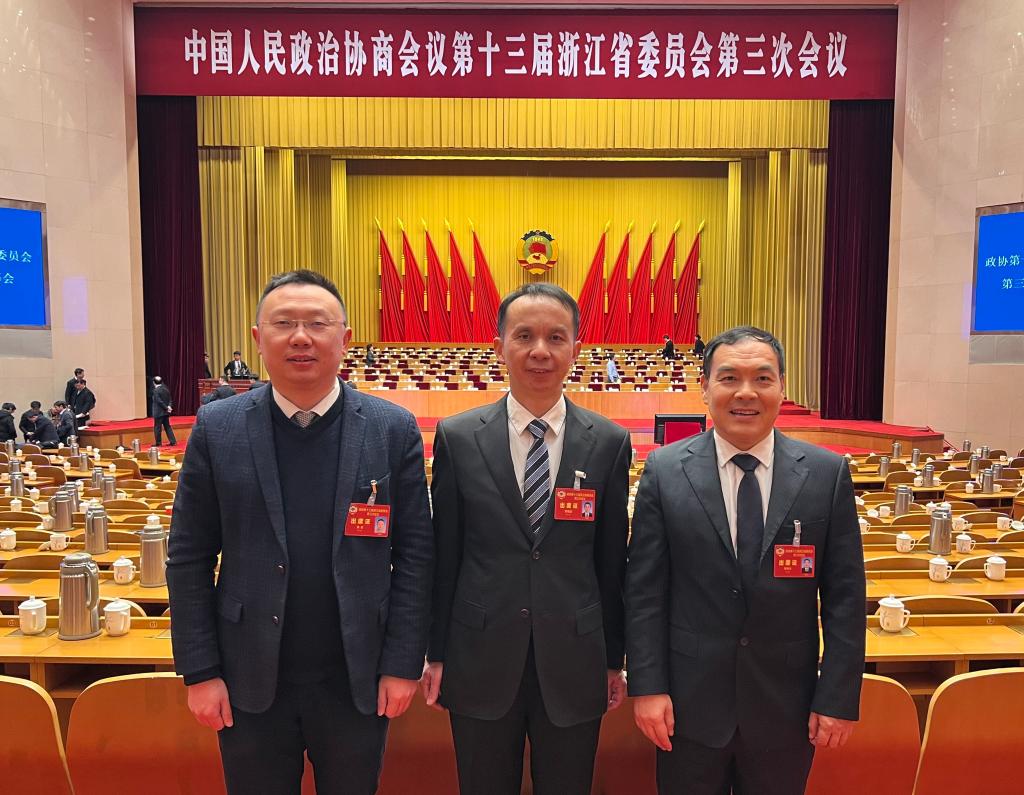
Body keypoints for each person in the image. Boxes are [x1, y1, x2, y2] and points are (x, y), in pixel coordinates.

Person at [167, 269, 433, 795]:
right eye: (284, 323)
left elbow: (416, 557)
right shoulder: (217, 428)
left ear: (345, 338)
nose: (301, 337)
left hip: (357, 678)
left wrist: (403, 663)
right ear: (257, 337)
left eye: (317, 323)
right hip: (247, 678)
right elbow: (189, 556)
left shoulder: (392, 428)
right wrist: (200, 671)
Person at [625, 326, 865, 795]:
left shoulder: (826, 473)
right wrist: (648, 686)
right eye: (729, 377)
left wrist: (838, 696)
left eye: (762, 378)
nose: (746, 393)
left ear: (782, 388)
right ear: (705, 387)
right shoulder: (665, 471)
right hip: (687, 706)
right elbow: (645, 592)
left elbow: (846, 599)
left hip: (787, 707)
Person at [424, 283, 631, 795]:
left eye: (556, 337)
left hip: (575, 659)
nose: (540, 350)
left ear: (576, 349)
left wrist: (613, 659)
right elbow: (444, 556)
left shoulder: (609, 442)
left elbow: (612, 564)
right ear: (499, 347)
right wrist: (436, 653)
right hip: (479, 655)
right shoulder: (457, 437)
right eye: (524, 336)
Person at [151, 376, 177, 447]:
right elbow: (170, 399)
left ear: (154, 382)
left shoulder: (156, 390)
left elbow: (159, 401)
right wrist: (169, 407)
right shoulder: (166, 389)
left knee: (157, 428)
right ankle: (173, 441)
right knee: (167, 427)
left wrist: (166, 408)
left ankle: (158, 443)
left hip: (159, 412)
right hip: (166, 412)